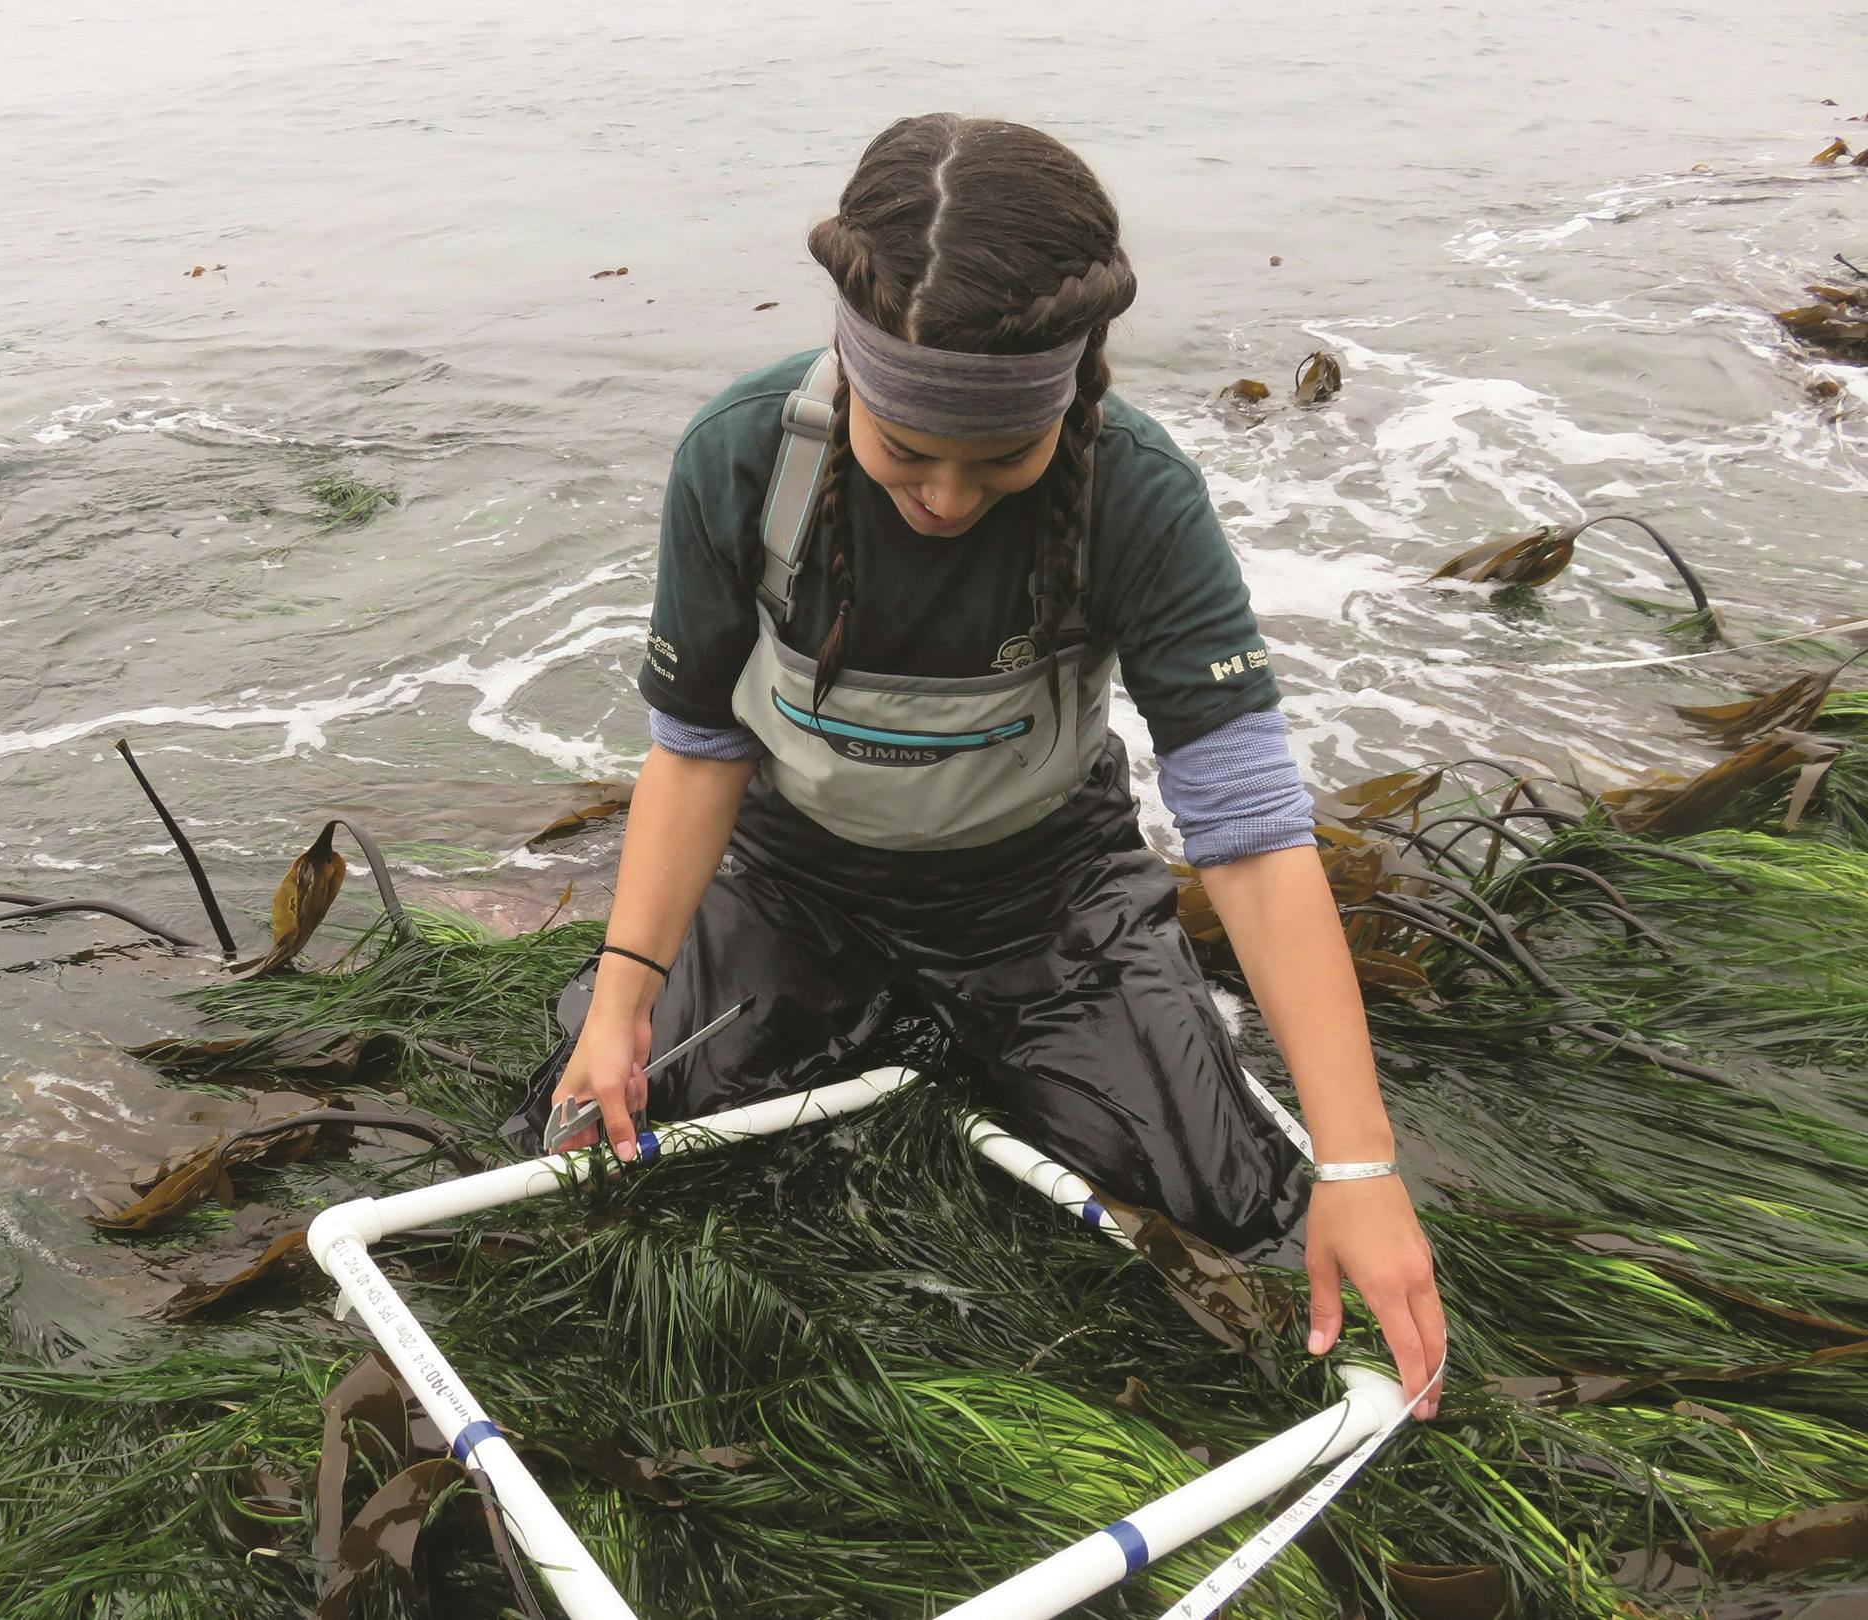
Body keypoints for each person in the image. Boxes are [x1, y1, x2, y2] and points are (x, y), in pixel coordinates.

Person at [509, 114, 1444, 1416]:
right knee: (613, 1120)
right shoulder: (741, 455)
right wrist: (621, 1001)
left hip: (1044, 890)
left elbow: (1246, 832)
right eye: (906, 452)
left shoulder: (1138, 496)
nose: (946, 499)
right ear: (850, 370)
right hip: (797, 876)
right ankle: (877, 1012)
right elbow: (699, 747)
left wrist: (1358, 1168)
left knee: (1220, 1204)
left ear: (1069, 396)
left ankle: (983, 1021)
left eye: (1000, 459)